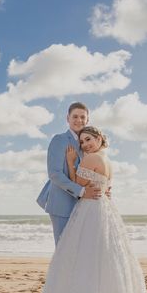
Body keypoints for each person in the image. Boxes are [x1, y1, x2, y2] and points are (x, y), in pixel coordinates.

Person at [35, 126, 147, 293]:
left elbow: (77, 184)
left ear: (99, 139)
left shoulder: (89, 159)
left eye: (89, 139)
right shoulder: (108, 161)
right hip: (105, 208)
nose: (85, 144)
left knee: (83, 256)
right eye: (82, 142)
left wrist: (71, 163)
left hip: (90, 207)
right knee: (105, 255)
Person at [36, 102, 102, 245]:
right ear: (68, 118)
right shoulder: (59, 140)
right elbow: (54, 174)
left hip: (84, 206)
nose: (79, 120)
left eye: (82, 117)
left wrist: (103, 189)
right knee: (63, 251)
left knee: (79, 251)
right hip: (62, 204)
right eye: (75, 117)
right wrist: (81, 191)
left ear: (87, 120)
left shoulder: (88, 144)